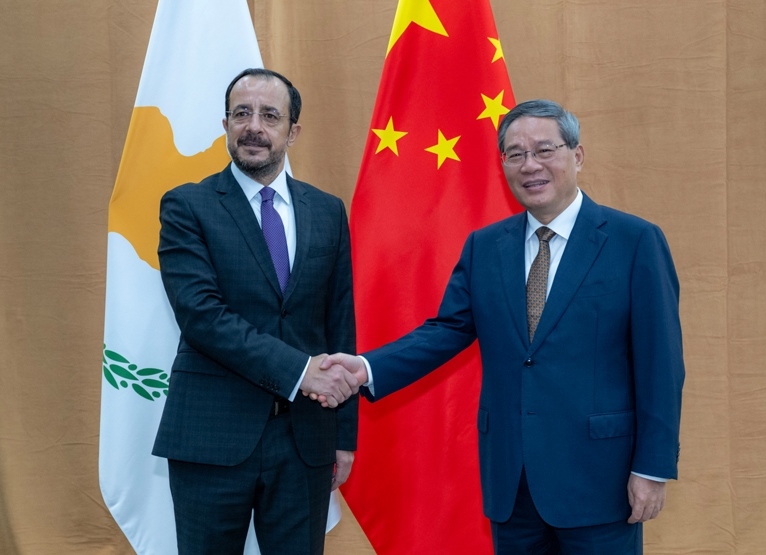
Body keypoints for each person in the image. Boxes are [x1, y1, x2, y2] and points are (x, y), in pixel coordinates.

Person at [320, 100, 685, 554]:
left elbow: (661, 365)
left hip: (601, 480)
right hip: (512, 483)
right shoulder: (485, 247)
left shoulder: (634, 241)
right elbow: (446, 331)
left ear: (577, 155)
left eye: (544, 150)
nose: (530, 165)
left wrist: (652, 468)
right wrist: (366, 369)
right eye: (515, 154)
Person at [152, 67, 360, 555]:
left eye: (270, 115)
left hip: (306, 441)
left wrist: (344, 434)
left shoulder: (328, 211)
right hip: (211, 437)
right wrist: (300, 371)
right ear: (225, 124)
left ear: (293, 131)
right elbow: (201, 316)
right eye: (242, 113)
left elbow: (340, 323)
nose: (254, 127)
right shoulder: (187, 206)